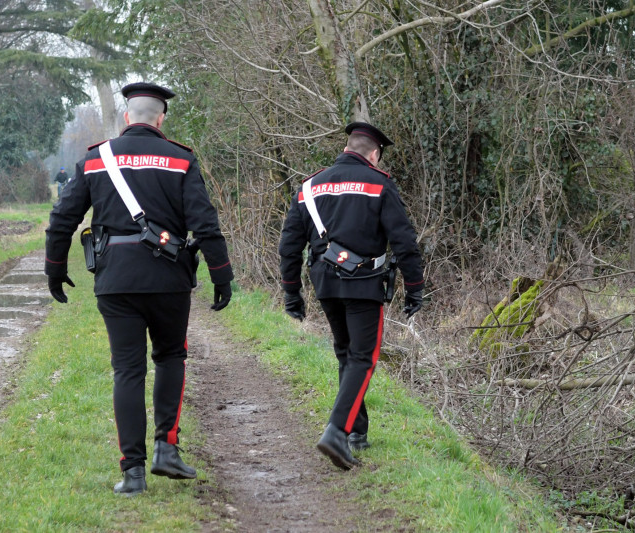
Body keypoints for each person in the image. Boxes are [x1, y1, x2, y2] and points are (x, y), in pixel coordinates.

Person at [44, 82, 234, 495]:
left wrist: (54, 269)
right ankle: (167, 449)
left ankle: (133, 474)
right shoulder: (181, 159)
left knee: (127, 370)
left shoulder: (97, 159)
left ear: (127, 116)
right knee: (171, 357)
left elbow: (62, 219)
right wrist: (222, 275)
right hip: (169, 279)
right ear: (160, 118)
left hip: (115, 281)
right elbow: (205, 224)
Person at [278, 121, 424, 470]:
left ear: (347, 148)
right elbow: (403, 240)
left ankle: (357, 432)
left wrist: (291, 292)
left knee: (346, 353)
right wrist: (415, 288)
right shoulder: (379, 184)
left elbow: (289, 245)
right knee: (362, 357)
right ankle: (337, 431)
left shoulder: (309, 186)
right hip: (365, 282)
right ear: (374, 154)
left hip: (324, 282)